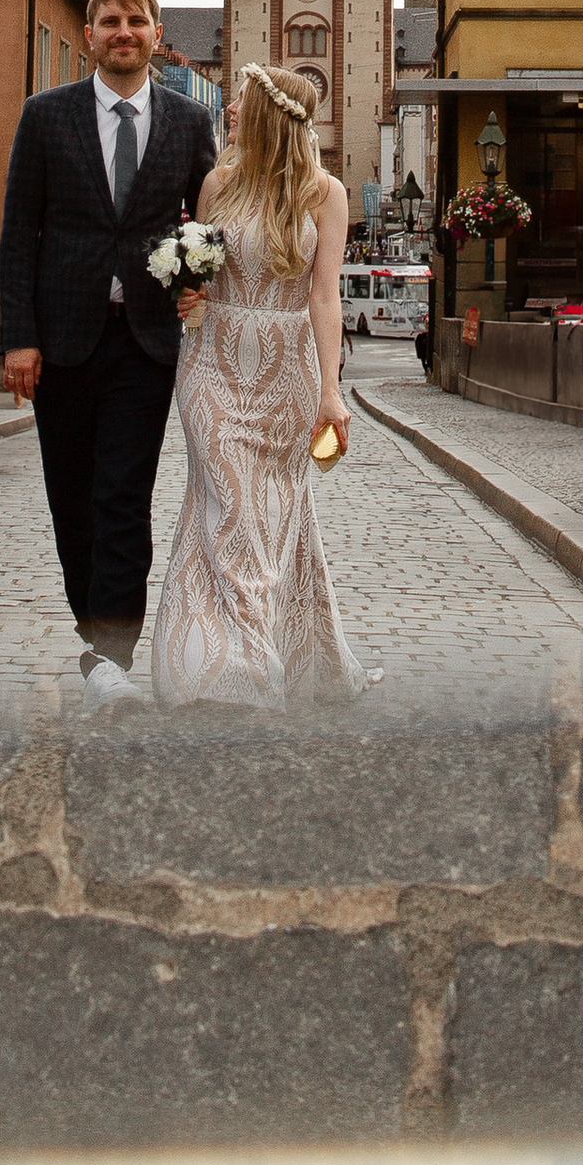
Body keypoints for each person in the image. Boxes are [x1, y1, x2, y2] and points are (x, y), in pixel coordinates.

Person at [0, 0, 221, 706]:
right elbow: (17, 235)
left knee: (124, 493)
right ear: (90, 37)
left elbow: (205, 223)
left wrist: (200, 280)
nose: (123, 32)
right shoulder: (45, 116)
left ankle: (112, 654)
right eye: (110, 22)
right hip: (61, 338)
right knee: (73, 498)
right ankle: (94, 633)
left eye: (137, 21)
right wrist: (19, 338)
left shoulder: (190, 122)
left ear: (158, 36)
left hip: (146, 340)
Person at [151, 61, 367, 706]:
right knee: (230, 509)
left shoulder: (325, 194)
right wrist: (187, 291)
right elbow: (205, 269)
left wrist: (330, 392)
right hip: (214, 363)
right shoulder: (219, 183)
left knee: (274, 516)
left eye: (240, 101)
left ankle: (282, 656)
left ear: (270, 114)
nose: (230, 109)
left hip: (288, 368)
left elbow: (324, 298)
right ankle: (238, 671)